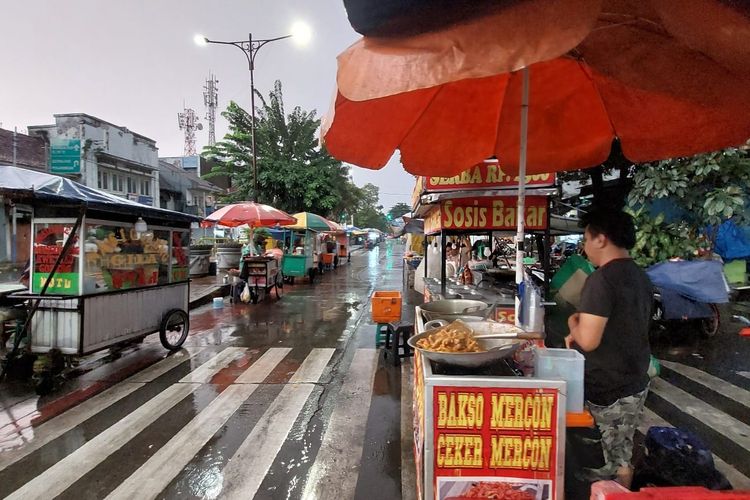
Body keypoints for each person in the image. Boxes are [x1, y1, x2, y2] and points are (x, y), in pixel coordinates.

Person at [565, 207, 652, 489]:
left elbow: (588, 340)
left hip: (609, 387)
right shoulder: (639, 275)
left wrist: (572, 322)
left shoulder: (602, 279)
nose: (585, 246)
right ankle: (622, 488)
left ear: (601, 239)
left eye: (586, 238)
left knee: (609, 462)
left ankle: (614, 492)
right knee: (622, 450)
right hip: (635, 379)